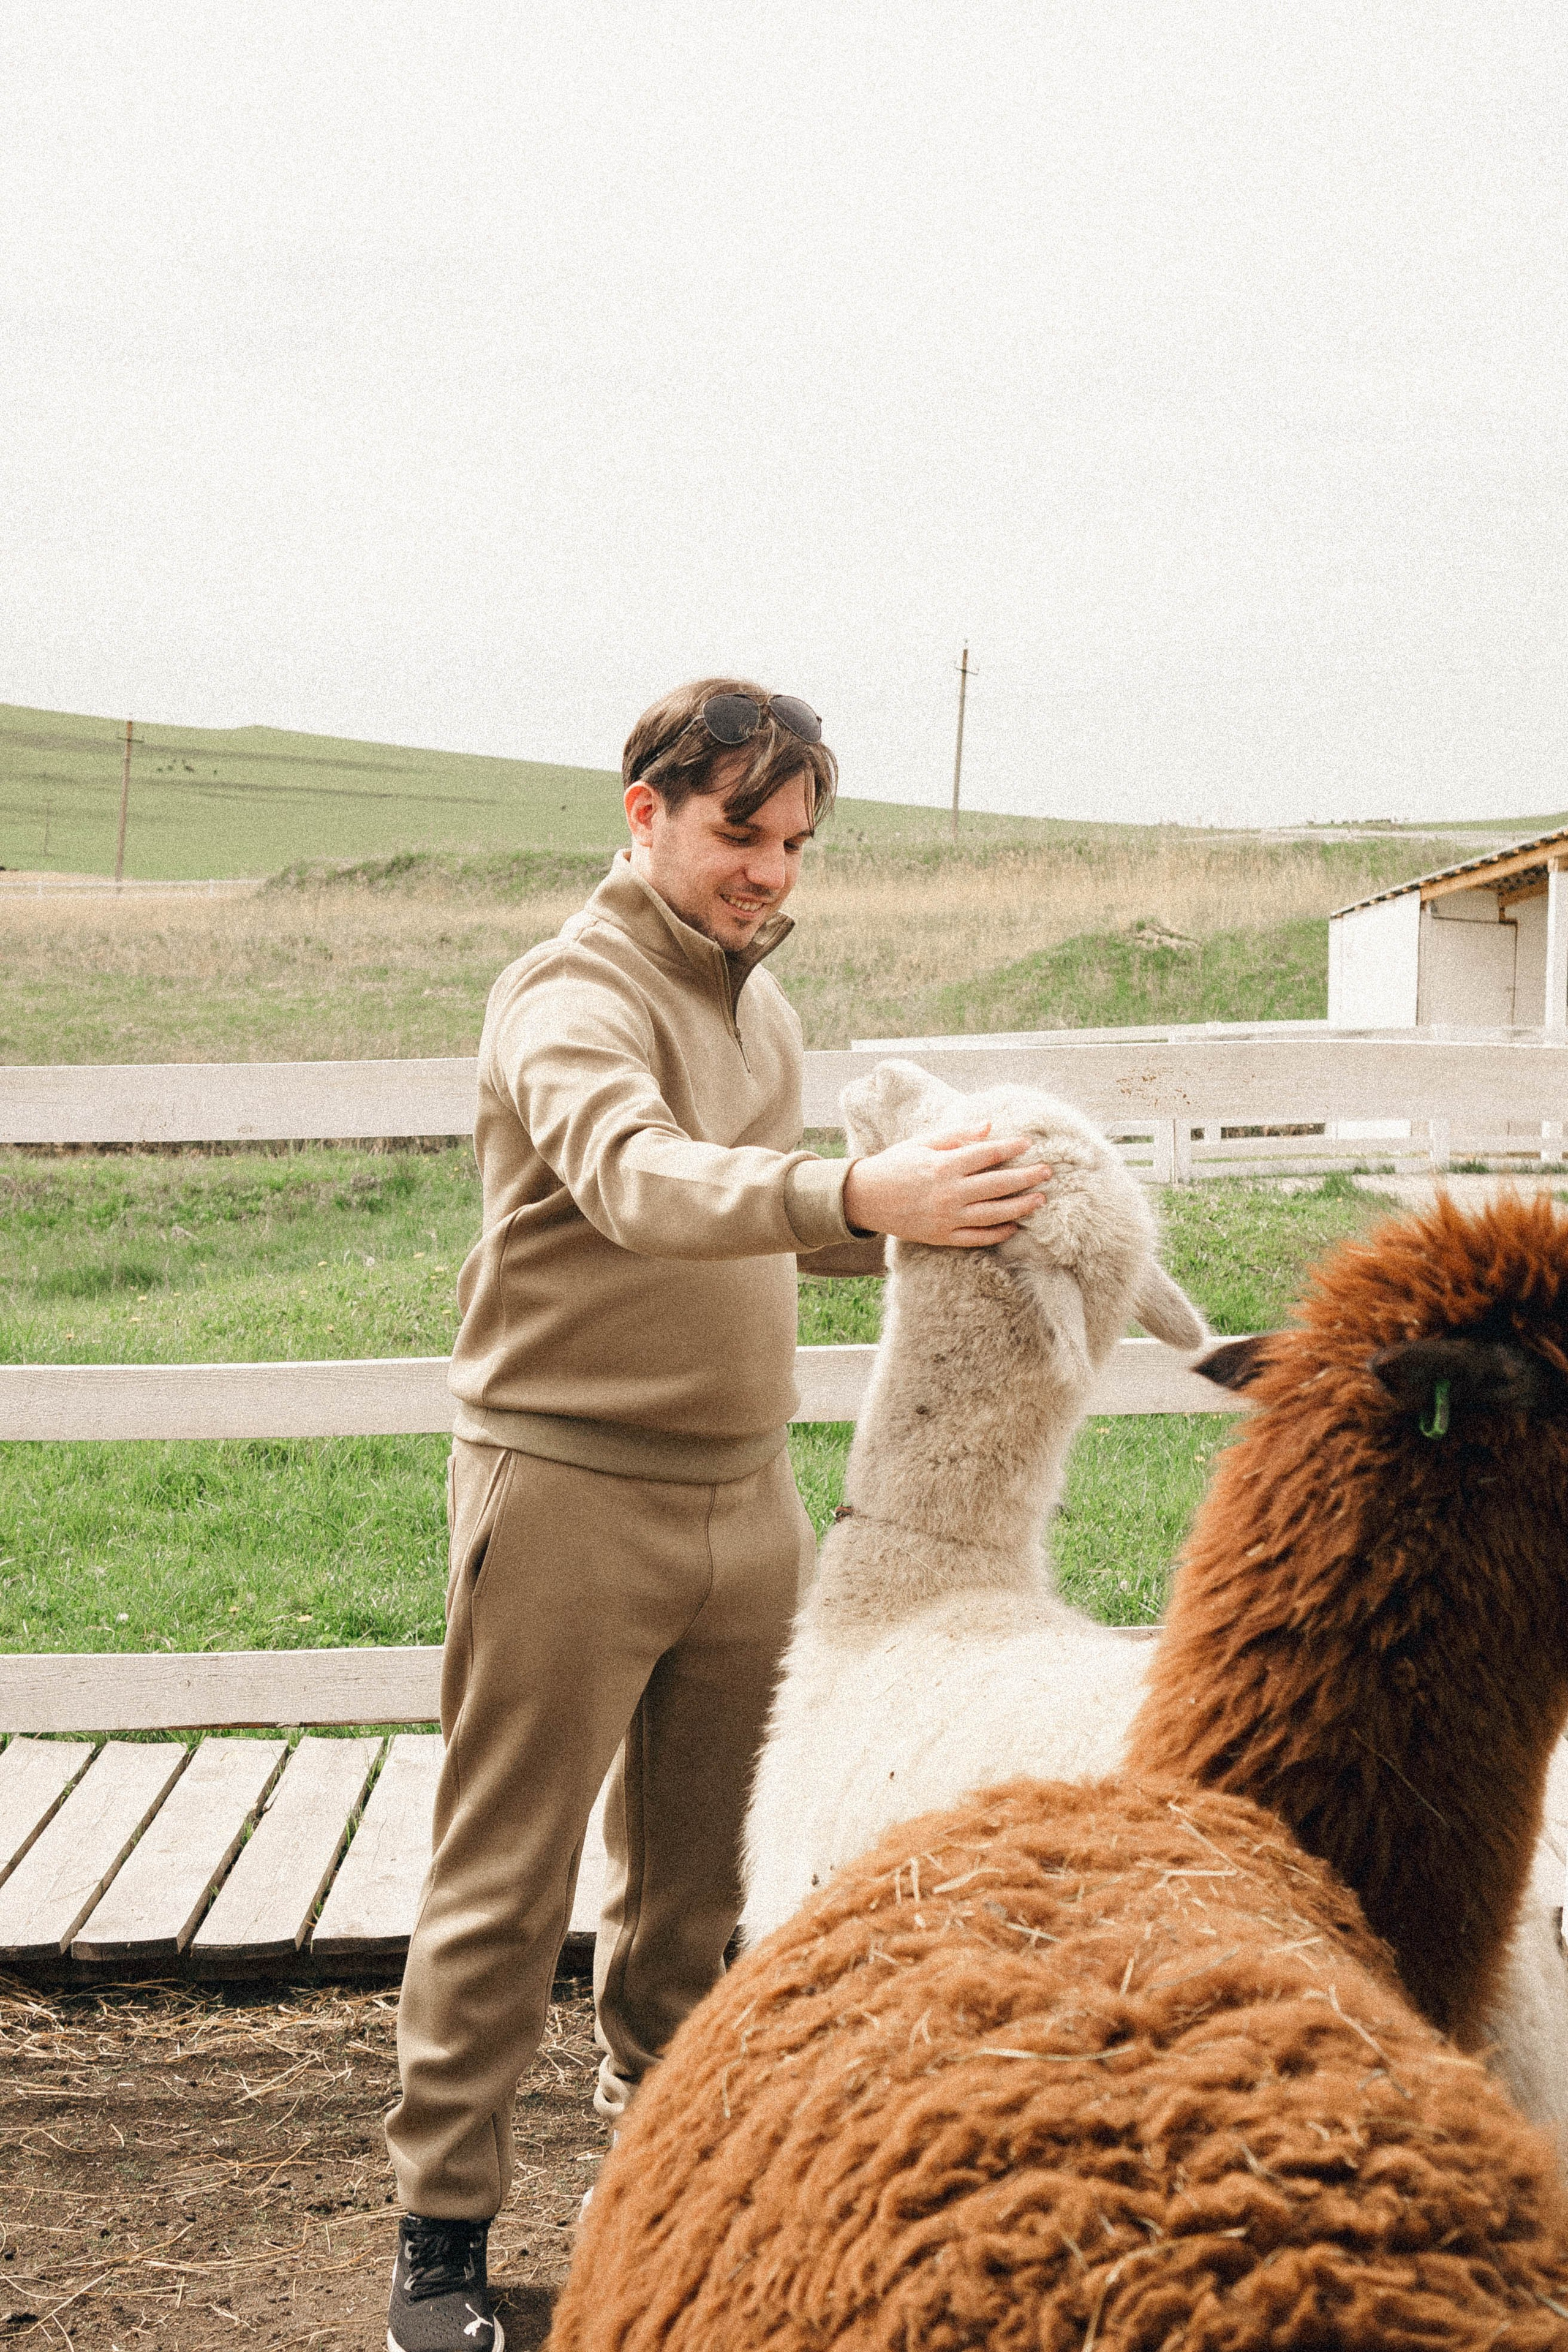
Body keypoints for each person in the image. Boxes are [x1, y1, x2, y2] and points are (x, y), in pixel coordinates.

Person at [383, 678, 1052, 2352]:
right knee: (506, 1882)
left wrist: (937, 1216)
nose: (772, 871)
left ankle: (668, 2182)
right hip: (567, 1499)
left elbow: (766, 1222)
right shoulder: (567, 998)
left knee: (696, 1890)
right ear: (650, 812)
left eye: (796, 841)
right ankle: (439, 2247)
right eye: (743, 832)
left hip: (746, 1502)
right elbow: (638, 1178)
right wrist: (852, 1191)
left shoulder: (764, 1012)